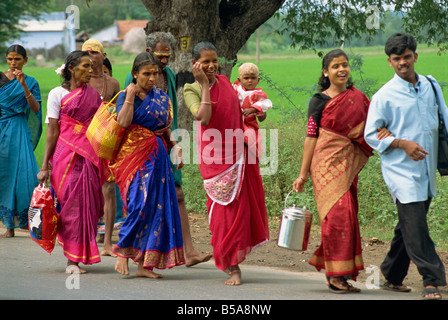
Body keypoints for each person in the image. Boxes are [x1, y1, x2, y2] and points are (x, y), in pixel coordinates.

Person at [292, 49, 385, 293]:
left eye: (344, 65)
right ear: (326, 72)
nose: (341, 69)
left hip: (345, 165)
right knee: (337, 215)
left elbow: (371, 129)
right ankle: (335, 275)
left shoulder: (359, 99)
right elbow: (311, 137)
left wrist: (384, 133)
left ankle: (337, 272)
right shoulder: (318, 100)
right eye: (335, 66)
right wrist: (302, 174)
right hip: (324, 164)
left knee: (348, 216)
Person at [364, 33, 447, 300]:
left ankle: (391, 273)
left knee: (408, 225)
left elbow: (443, 119)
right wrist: (401, 143)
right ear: (389, 61)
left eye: (407, 57)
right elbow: (371, 134)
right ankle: (432, 278)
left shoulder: (430, 85)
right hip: (400, 171)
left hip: (426, 169)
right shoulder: (384, 96)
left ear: (415, 56)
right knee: (416, 225)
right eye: (397, 59)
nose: (403, 63)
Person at [183, 42, 269, 286]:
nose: (211, 66)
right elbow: (204, 117)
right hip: (214, 160)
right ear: (194, 64)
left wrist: (259, 113)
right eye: (205, 61)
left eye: (214, 61)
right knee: (220, 217)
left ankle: (235, 266)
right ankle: (229, 261)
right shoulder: (191, 89)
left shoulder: (227, 84)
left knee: (238, 214)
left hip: (238, 155)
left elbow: (242, 112)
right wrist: (203, 84)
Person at [125, 32, 212, 267]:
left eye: (167, 57)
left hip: (166, 141)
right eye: (160, 56)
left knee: (178, 195)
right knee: (142, 200)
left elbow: (169, 113)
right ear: (148, 52)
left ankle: (188, 251)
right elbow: (127, 116)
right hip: (141, 149)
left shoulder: (170, 74)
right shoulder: (133, 79)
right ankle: (133, 252)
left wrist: (174, 144)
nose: (163, 61)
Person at [111, 52, 185, 278]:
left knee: (156, 207)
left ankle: (144, 265)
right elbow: (122, 122)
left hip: (158, 156)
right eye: (146, 74)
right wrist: (132, 96)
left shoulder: (161, 97)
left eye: (155, 74)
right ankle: (123, 251)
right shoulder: (126, 95)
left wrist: (175, 145)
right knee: (138, 204)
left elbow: (163, 126)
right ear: (135, 74)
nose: (152, 78)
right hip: (133, 157)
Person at [37, 51, 106, 274]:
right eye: (85, 66)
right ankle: (72, 261)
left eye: (92, 66)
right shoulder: (57, 94)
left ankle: (80, 254)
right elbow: (52, 130)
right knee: (70, 206)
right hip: (65, 157)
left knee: (90, 205)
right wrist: (44, 165)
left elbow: (99, 128)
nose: (91, 70)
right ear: (71, 69)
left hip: (89, 157)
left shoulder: (94, 96)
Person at [81, 39, 122, 256]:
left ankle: (107, 243)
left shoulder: (113, 83)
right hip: (83, 143)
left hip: (105, 143)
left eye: (94, 52)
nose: (91, 56)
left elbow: (118, 112)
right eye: (86, 52)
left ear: (103, 55)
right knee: (87, 190)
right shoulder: (79, 82)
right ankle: (85, 239)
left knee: (108, 190)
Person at [0, 44, 42, 238]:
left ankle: (30, 223)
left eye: (17, 59)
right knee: (5, 175)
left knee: (24, 176)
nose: (13, 62)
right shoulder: (0, 78)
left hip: (18, 130)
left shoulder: (31, 82)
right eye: (10, 58)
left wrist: (23, 84)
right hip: (1, 129)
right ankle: (8, 226)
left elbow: (34, 109)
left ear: (25, 60)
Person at [233, 62, 272, 161]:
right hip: (234, 124)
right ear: (239, 80)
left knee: (253, 141)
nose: (250, 81)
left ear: (258, 80)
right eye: (246, 78)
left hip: (249, 124)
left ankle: (256, 157)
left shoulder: (258, 94)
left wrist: (254, 109)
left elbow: (265, 104)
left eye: (253, 78)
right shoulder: (236, 89)